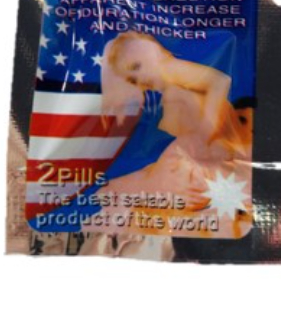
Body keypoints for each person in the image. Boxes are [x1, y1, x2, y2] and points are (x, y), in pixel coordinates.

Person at [100, 32, 252, 211]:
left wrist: (207, 131)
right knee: (153, 179)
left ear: (154, 53)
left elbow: (219, 81)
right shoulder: (170, 89)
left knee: (148, 181)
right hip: (196, 144)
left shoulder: (170, 69)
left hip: (207, 139)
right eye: (132, 79)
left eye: (137, 66)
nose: (140, 80)